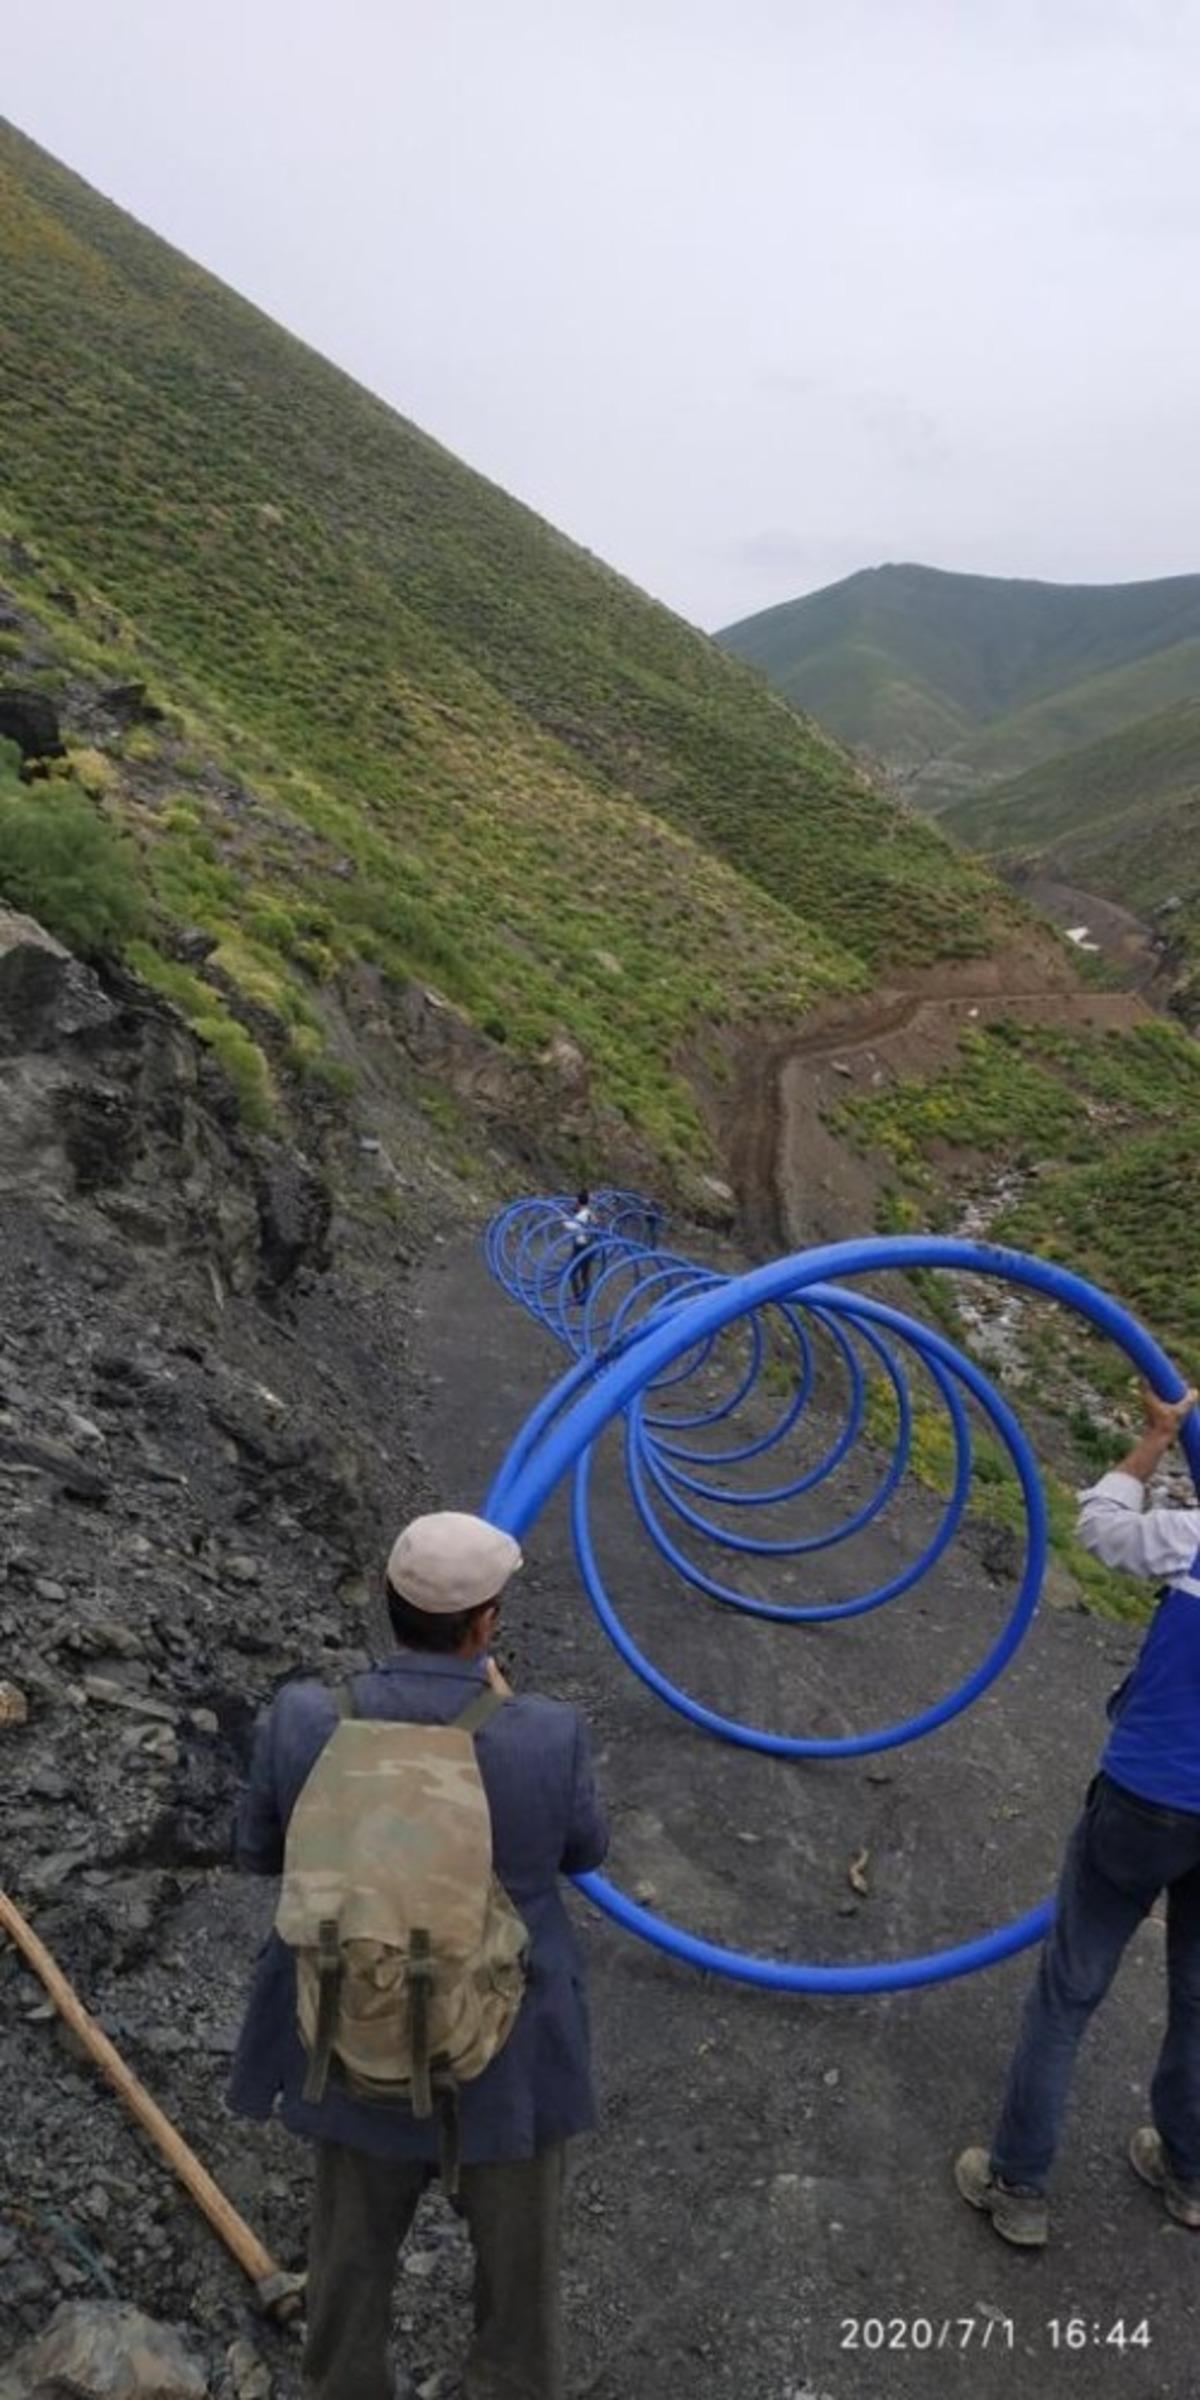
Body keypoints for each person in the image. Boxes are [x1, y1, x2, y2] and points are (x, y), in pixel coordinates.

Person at [229, 1511, 609, 2399]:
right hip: (505, 2048)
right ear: (485, 1625)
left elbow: (258, 1853)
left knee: (351, 2257)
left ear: (387, 1607)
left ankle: (348, 2384)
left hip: (348, 2028)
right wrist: (503, 1713)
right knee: (519, 2283)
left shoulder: (304, 1717)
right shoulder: (546, 1734)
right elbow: (584, 1853)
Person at [956, 1380, 1200, 2248]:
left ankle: (1020, 2186)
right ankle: (1188, 2175)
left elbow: (1098, 1524)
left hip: (1148, 1797)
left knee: (1070, 1988)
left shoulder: (1193, 1535)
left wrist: (1155, 1442)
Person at [562, 1187, 597, 1307]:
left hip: (581, 1246)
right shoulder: (589, 1213)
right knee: (585, 1275)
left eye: (576, 1200)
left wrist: (562, 1219)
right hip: (589, 1245)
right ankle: (585, 1298)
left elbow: (571, 1226)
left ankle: (578, 1298)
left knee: (572, 1272)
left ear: (578, 1201)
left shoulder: (582, 1215)